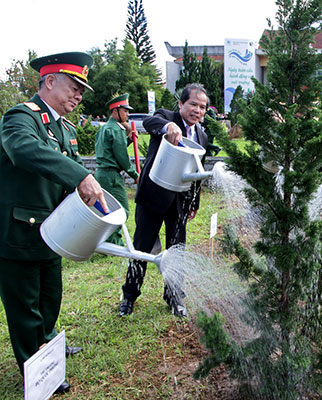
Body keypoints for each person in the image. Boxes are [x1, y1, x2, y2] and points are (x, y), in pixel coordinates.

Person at [0, 52, 108, 394]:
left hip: (52, 230)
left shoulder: (64, 128)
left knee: (50, 297)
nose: (78, 97)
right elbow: (25, 152)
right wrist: (80, 175)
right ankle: (35, 368)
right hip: (19, 229)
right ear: (49, 82)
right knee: (25, 305)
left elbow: (63, 176)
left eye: (81, 92)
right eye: (74, 88)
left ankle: (47, 345)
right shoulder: (21, 118)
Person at [119, 83, 209, 318]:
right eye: (193, 104)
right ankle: (129, 296)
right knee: (142, 248)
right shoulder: (166, 118)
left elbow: (197, 173)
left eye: (202, 107)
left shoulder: (202, 136)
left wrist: (194, 203)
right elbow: (150, 121)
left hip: (179, 204)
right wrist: (168, 126)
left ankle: (174, 295)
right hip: (153, 199)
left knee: (177, 249)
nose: (197, 111)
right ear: (181, 104)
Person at [94, 93, 139, 245]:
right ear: (116, 110)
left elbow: (111, 150)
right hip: (112, 176)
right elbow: (122, 157)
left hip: (100, 174)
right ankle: (114, 243)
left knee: (106, 209)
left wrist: (128, 140)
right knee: (121, 210)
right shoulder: (116, 129)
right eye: (125, 110)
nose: (128, 114)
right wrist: (134, 175)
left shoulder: (104, 128)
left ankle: (105, 241)